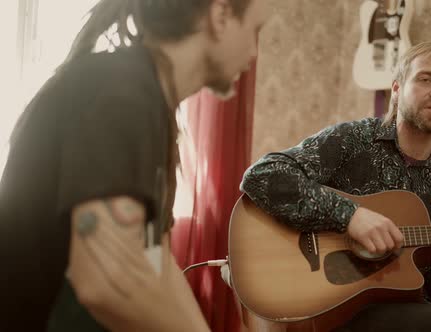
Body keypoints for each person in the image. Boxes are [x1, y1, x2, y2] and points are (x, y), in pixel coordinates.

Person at [0, 0, 269, 330]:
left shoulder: (153, 106)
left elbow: (156, 262)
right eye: (255, 30)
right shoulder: (120, 90)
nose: (254, 51)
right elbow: (105, 279)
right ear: (221, 15)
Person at [240, 41, 431, 332]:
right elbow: (262, 175)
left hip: (396, 311)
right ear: (396, 89)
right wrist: (350, 216)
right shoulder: (352, 140)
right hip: (325, 302)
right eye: (425, 78)